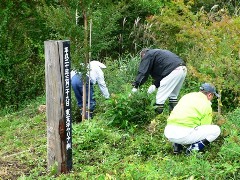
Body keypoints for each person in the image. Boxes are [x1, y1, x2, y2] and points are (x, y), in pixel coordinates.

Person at [164, 83, 221, 155]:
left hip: (169, 131)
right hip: (183, 135)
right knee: (216, 130)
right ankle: (193, 149)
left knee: (182, 121)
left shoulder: (187, 96)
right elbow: (204, 125)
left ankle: (177, 146)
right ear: (209, 95)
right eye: (213, 95)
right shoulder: (206, 104)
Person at [132, 48, 187, 114]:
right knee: (173, 95)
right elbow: (165, 73)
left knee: (160, 98)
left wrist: (136, 85)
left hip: (174, 71)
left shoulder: (148, 55)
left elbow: (143, 72)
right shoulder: (159, 54)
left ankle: (157, 119)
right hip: (183, 69)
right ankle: (174, 116)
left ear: (143, 54)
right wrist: (155, 85)